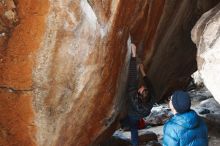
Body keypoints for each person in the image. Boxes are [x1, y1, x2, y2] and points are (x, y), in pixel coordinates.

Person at [121, 43, 155, 146]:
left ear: (138, 95)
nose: (142, 86)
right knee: (132, 123)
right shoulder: (151, 96)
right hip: (144, 113)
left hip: (134, 115)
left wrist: (134, 55)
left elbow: (132, 78)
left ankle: (124, 125)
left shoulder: (133, 97)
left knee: (133, 128)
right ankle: (124, 124)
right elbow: (149, 84)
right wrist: (142, 72)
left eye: (141, 88)